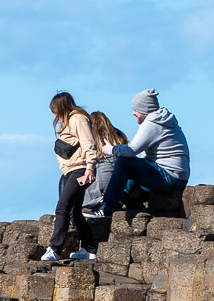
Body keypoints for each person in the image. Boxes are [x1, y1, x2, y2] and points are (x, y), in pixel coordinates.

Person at [101, 89, 189, 213]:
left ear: (144, 109)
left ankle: (107, 207)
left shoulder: (153, 124)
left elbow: (132, 150)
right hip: (178, 177)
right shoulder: (162, 121)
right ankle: (118, 201)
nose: (133, 113)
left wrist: (110, 149)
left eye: (135, 109)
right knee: (131, 170)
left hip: (170, 177)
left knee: (123, 162)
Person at [43, 92, 104, 263]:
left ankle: (55, 248)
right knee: (73, 212)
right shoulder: (68, 122)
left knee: (62, 207)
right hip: (71, 171)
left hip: (80, 170)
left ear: (61, 106)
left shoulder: (78, 119)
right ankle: (89, 249)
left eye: (54, 109)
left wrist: (90, 168)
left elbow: (89, 144)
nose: (53, 113)